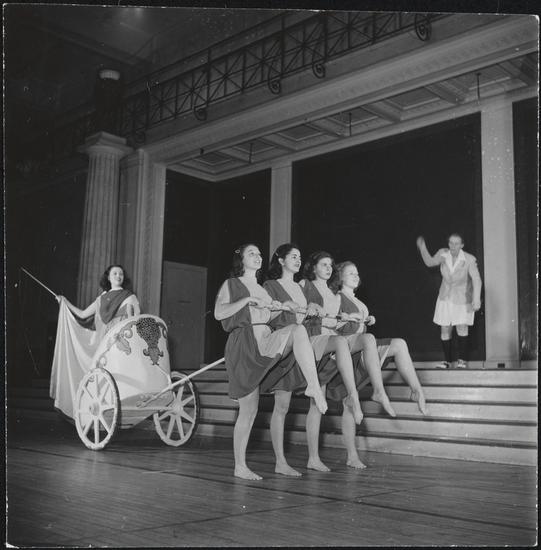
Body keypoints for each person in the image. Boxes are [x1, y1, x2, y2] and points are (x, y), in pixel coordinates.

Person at [214, 243, 328, 480]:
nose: (258, 256)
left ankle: (313, 386)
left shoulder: (262, 289)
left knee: (297, 330)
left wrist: (282, 307)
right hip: (244, 343)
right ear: (241, 259)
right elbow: (219, 313)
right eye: (251, 253)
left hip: (265, 338)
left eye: (259, 253)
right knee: (249, 410)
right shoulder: (232, 284)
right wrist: (246, 301)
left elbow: (269, 316)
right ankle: (240, 466)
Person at [262, 244, 363, 476]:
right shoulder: (276, 285)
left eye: (299, 256)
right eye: (293, 256)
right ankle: (280, 461)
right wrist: (287, 308)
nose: (298, 260)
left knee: (318, 401)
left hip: (308, 345)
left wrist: (312, 307)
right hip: (285, 345)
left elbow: (309, 315)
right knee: (282, 405)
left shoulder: (302, 289)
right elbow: (269, 316)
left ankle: (314, 458)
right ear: (280, 260)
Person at [299, 251, 399, 470]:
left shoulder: (335, 294)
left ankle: (351, 453)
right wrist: (308, 309)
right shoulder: (305, 285)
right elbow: (299, 313)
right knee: (316, 404)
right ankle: (313, 457)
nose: (328, 268)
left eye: (330, 265)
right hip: (314, 344)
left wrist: (346, 319)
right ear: (313, 267)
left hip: (335, 344)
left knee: (341, 398)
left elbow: (336, 324)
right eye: (323, 264)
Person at [332, 260, 429, 468]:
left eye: (357, 273)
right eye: (350, 273)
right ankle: (352, 456)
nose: (356, 276)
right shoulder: (337, 298)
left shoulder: (361, 304)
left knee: (399, 344)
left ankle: (417, 390)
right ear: (340, 278)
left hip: (363, 351)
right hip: (345, 354)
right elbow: (332, 326)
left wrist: (365, 319)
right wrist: (350, 319)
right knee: (349, 404)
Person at [51, 264, 140, 418]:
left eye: (121, 274)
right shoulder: (101, 299)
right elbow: (83, 314)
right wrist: (65, 302)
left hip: (124, 340)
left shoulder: (129, 296)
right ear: (108, 277)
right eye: (115, 273)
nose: (118, 276)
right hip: (107, 342)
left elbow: (135, 320)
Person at [416, 234, 482, 368]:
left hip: (463, 298)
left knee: (461, 328)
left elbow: (476, 279)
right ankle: (447, 361)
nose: (453, 246)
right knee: (445, 329)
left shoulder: (469, 259)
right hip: (445, 297)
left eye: (456, 243)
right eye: (451, 243)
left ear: (462, 245)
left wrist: (476, 299)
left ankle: (462, 361)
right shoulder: (443, 254)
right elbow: (430, 262)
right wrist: (422, 248)